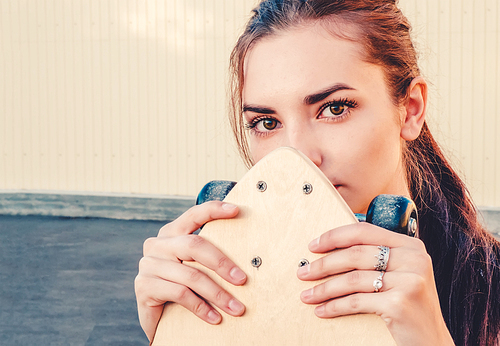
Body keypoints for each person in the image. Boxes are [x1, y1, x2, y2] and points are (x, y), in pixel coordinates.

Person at [134, 0, 500, 345]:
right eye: (266, 122)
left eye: (335, 108)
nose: (299, 158)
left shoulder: (489, 299)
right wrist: (173, 332)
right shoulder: (226, 289)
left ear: (411, 109)